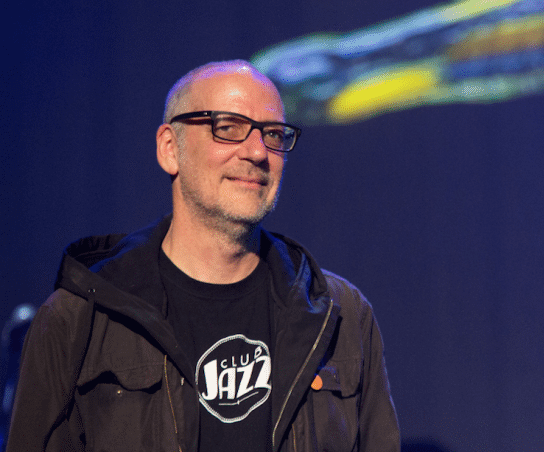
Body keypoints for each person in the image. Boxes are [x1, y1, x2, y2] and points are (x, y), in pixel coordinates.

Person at [6, 60, 400, 451]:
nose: (258, 152)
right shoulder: (78, 319)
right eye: (227, 128)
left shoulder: (341, 314)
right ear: (169, 149)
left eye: (274, 134)